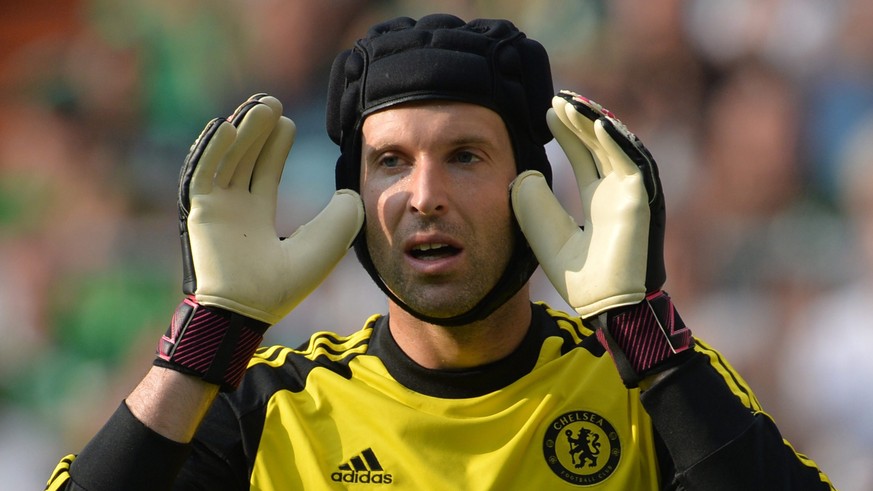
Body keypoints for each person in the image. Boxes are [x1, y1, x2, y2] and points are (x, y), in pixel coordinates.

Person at [46, 14, 834, 490]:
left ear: (529, 188)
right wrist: (206, 335)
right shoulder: (270, 408)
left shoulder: (640, 389)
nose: (423, 194)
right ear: (352, 198)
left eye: (463, 155)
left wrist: (647, 335)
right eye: (389, 161)